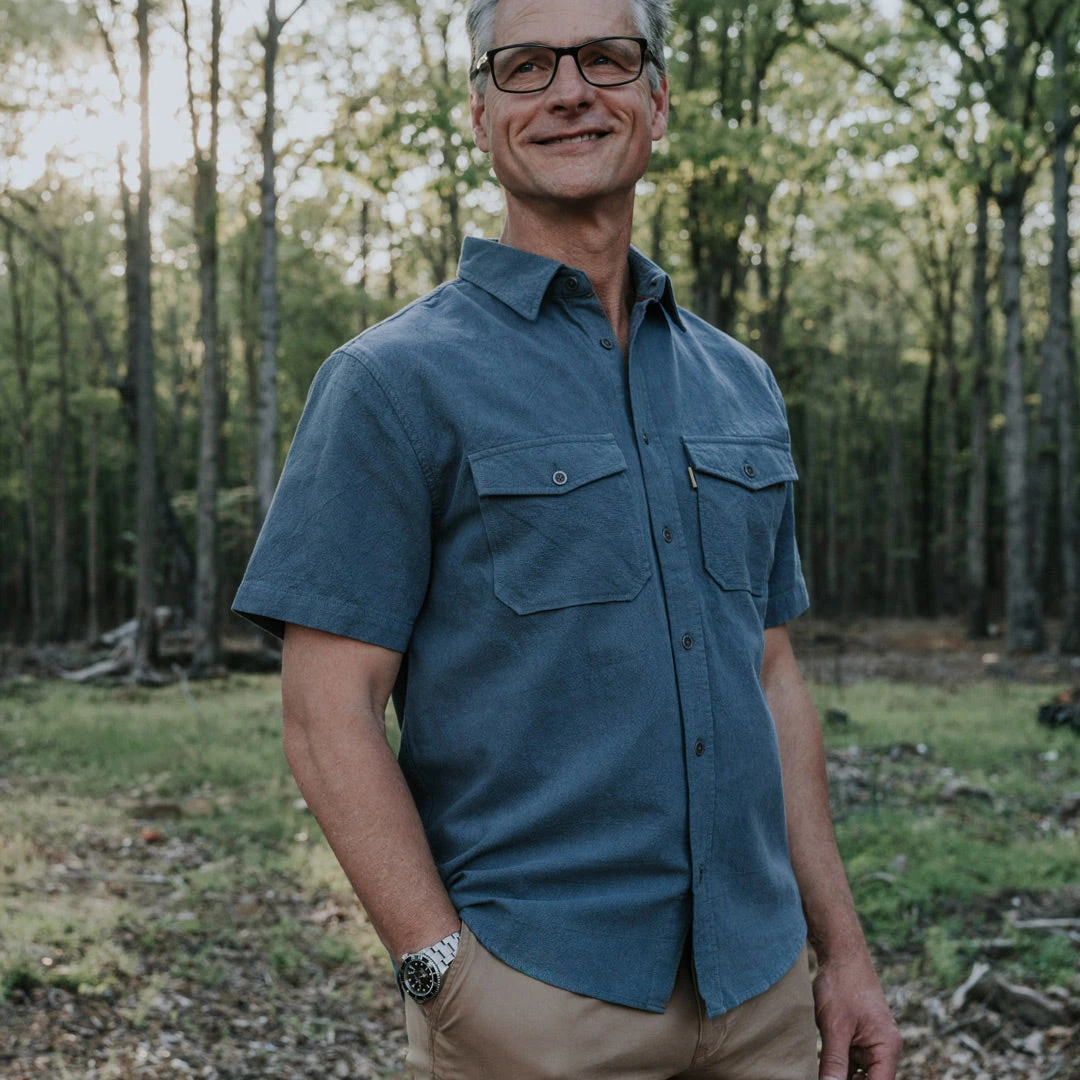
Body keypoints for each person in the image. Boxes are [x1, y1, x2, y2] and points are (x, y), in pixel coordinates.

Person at [233, 0, 902, 1076]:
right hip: (537, 1003)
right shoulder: (389, 383)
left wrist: (845, 956)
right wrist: (443, 979)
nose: (570, 90)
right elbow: (327, 713)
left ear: (658, 100)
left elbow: (771, 674)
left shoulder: (741, 385)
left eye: (606, 57)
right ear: (481, 111)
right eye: (527, 65)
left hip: (767, 997)